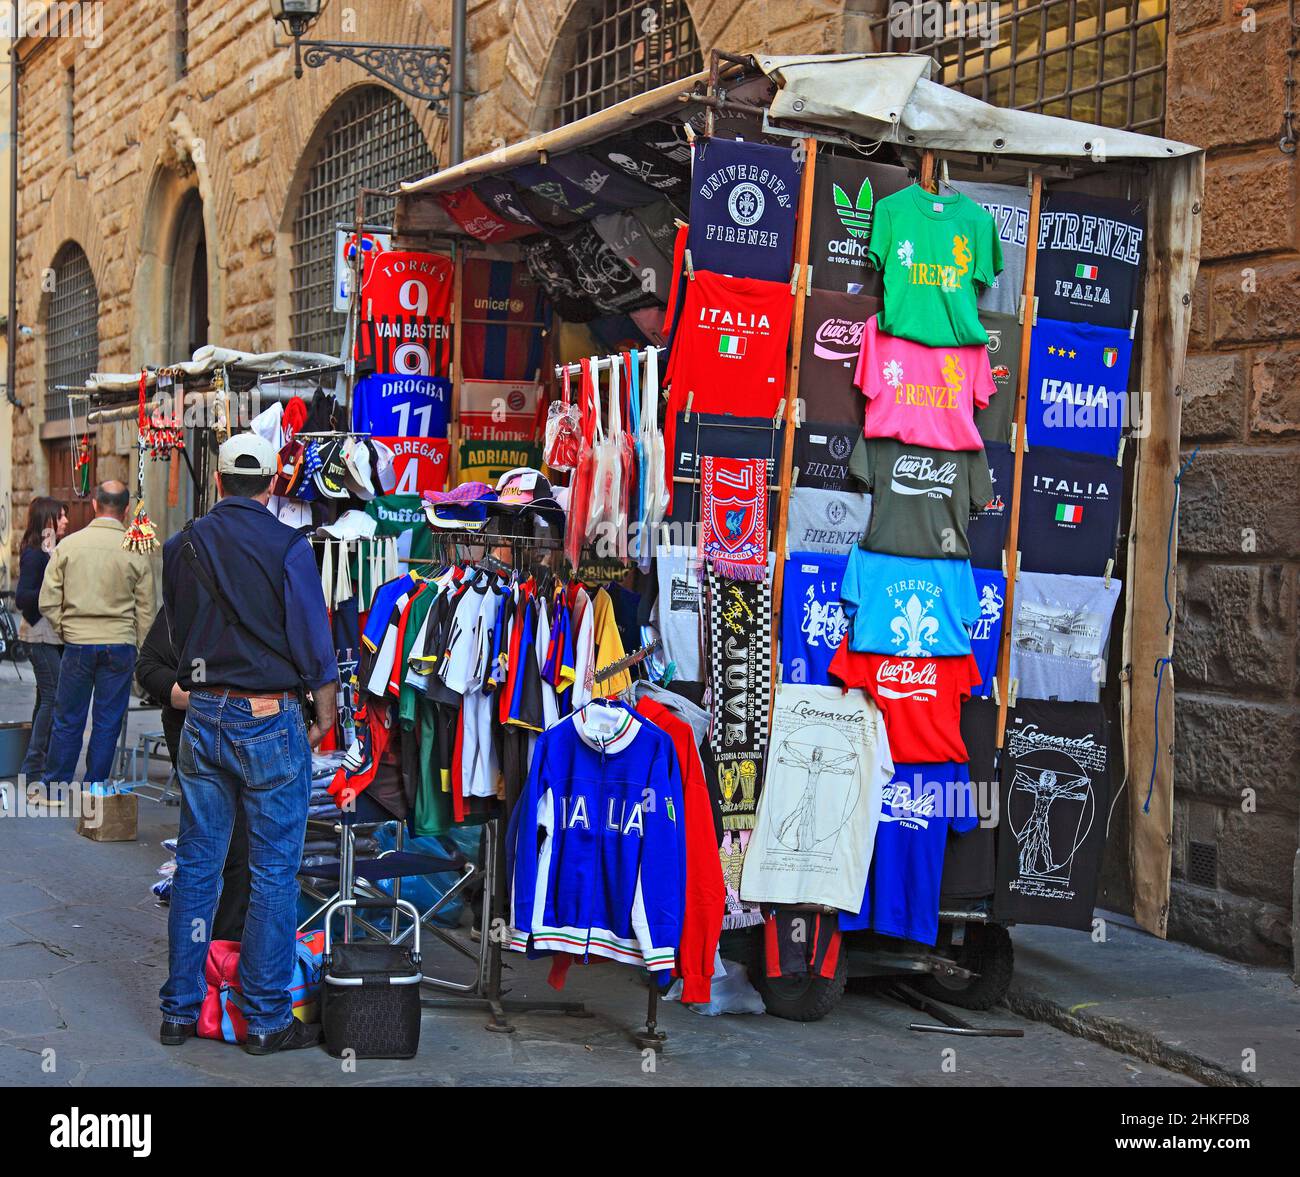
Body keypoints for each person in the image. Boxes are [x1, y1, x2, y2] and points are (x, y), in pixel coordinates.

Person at [159, 432, 338, 1056]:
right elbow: (315, 643)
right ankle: (262, 1018)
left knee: (198, 866)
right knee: (272, 872)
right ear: (270, 486)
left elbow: (178, 635)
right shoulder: (289, 545)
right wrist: (322, 716)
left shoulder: (181, 546)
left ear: (216, 483)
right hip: (267, 717)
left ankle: (179, 1012)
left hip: (203, 716)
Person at [136, 608, 250, 941]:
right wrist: (198, 701)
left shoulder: (270, 590)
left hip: (254, 734)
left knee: (243, 843)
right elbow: (149, 667)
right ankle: (203, 957)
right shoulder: (189, 592)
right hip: (191, 729)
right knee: (211, 840)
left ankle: (220, 951)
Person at [38, 481, 153, 794]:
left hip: (78, 643)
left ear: (94, 505)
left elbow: (47, 601)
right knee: (107, 721)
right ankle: (95, 789)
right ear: (126, 509)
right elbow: (146, 611)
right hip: (120, 644)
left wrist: (67, 630)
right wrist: (143, 652)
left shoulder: (69, 546)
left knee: (68, 718)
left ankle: (55, 787)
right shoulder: (136, 550)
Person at [15, 497, 68, 780]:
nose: (65, 521)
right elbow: (23, 597)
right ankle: (34, 766)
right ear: (47, 520)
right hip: (38, 635)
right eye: (60, 517)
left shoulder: (49, 550)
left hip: (50, 635)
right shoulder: (35, 554)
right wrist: (53, 592)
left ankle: (36, 761)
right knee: (54, 697)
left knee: (44, 698)